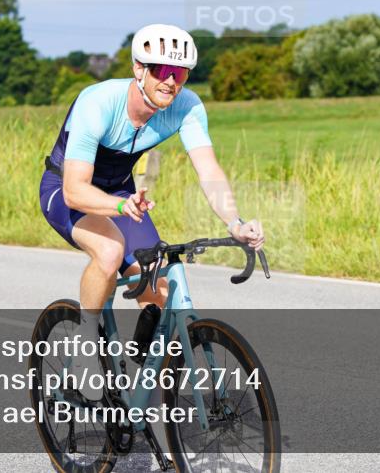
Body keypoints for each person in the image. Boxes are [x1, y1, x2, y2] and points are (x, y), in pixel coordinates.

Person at [39, 23, 265, 400]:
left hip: (123, 194)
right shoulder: (98, 102)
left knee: (159, 287)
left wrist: (235, 222)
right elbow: (76, 191)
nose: (171, 82)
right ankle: (84, 345)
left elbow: (208, 170)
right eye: (162, 71)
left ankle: (140, 400)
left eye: (180, 73)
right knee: (110, 251)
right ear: (138, 69)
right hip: (66, 188)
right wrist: (117, 205)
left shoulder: (186, 106)